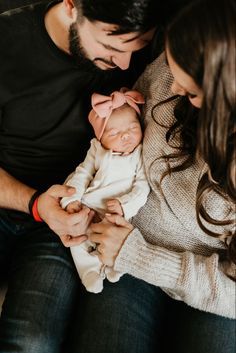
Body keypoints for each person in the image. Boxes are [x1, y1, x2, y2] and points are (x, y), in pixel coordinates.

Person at [0, 0, 189, 352]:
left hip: (71, 222)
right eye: (111, 47)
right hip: (14, 199)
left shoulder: (143, 53)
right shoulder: (8, 40)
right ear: (72, 6)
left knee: (30, 342)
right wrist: (34, 203)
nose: (124, 64)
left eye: (137, 47)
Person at [74, 0, 235, 352]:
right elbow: (127, 124)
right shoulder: (172, 67)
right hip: (128, 239)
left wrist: (140, 256)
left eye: (190, 91)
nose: (172, 88)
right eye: (169, 68)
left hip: (211, 285)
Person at [61, 89, 150, 293]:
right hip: (89, 205)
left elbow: (143, 187)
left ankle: (112, 265)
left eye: (133, 128)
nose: (126, 136)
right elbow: (82, 173)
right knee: (78, 238)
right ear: (100, 138)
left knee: (115, 237)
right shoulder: (97, 149)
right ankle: (89, 271)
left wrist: (124, 204)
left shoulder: (139, 153)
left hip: (116, 212)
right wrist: (72, 199)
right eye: (114, 133)